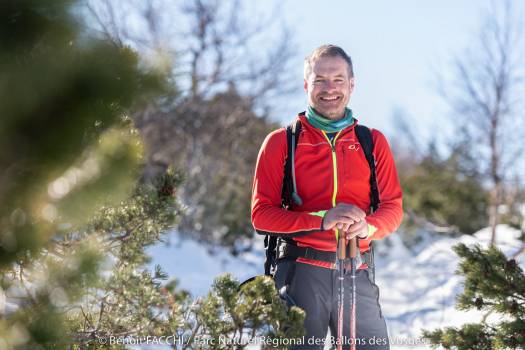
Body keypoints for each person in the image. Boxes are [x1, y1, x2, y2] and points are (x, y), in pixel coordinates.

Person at [251, 44, 403, 349]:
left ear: (351, 84)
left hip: (356, 270)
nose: (329, 88)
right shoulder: (282, 142)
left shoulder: (371, 142)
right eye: (320, 80)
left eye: (338, 79)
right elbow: (261, 215)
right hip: (300, 273)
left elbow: (392, 208)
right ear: (306, 84)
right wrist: (323, 219)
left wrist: (367, 227)